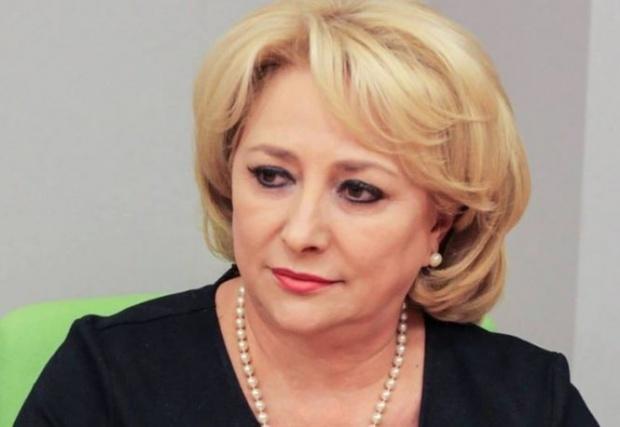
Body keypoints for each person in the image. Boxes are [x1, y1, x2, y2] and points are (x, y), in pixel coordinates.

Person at [16, 0, 598, 426]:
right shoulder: (104, 379)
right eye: (272, 176)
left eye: (359, 191)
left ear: (441, 222)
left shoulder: (531, 401)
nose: (300, 233)